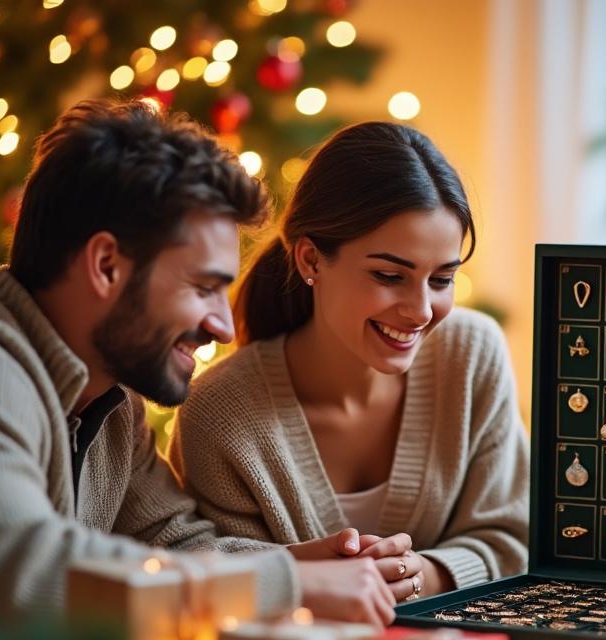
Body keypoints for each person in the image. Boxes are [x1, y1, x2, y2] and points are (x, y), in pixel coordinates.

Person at [0, 100, 398, 627]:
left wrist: (302, 562)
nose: (222, 325)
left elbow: (174, 543)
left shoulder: (112, 399)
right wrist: (291, 585)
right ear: (106, 265)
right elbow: (25, 577)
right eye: (203, 287)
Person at [168, 121, 529, 602]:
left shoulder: (471, 356)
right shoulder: (221, 414)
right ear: (311, 261)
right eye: (388, 275)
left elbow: (514, 540)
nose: (421, 311)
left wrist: (421, 573)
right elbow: (212, 576)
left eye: (442, 279)